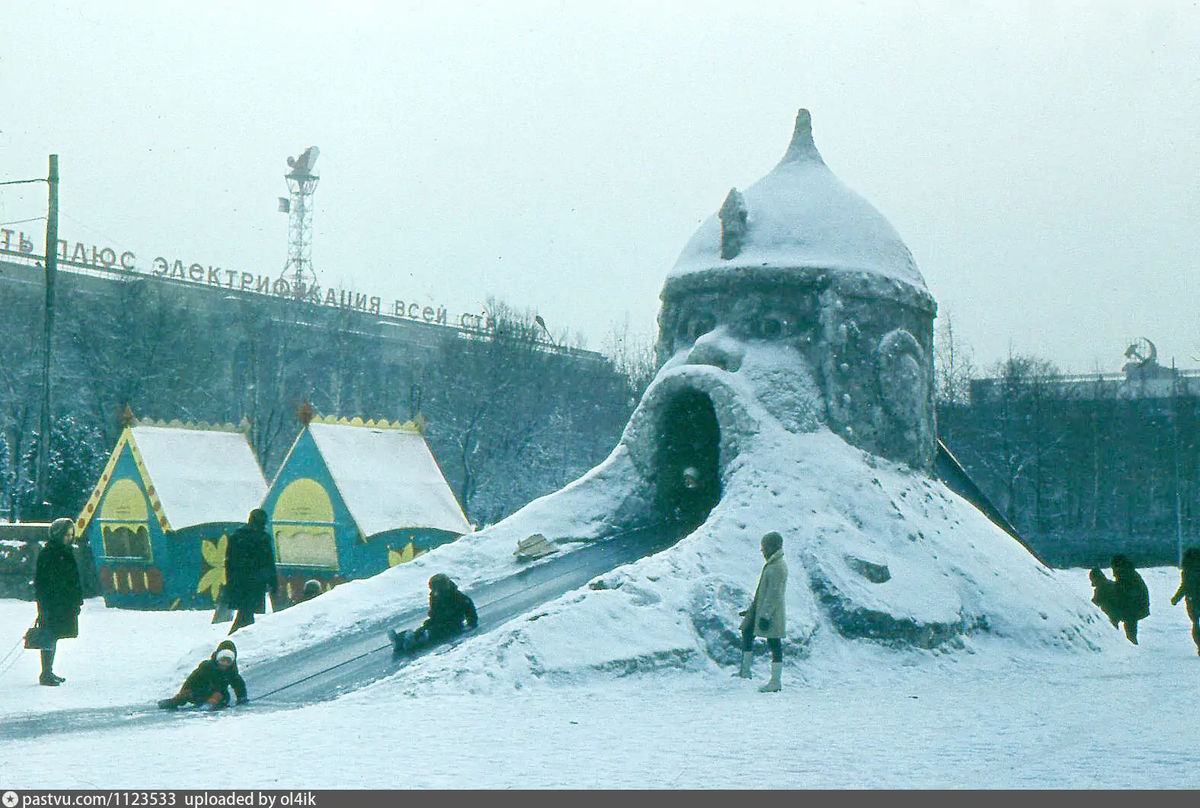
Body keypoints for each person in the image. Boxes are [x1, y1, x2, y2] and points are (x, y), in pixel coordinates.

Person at [34, 518, 84, 686]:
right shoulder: (49, 553)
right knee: (49, 634)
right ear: (57, 534)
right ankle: (45, 673)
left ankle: (48, 671)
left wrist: (76, 601)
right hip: (53, 602)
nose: (70, 538)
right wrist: (44, 604)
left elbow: (73, 579)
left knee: (53, 635)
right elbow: (42, 581)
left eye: (71, 534)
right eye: (66, 534)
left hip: (63, 602)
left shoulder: (65, 552)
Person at [738, 531, 788, 692]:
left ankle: (775, 681)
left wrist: (765, 615)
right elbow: (763, 593)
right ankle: (745, 672)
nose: (762, 551)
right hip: (761, 611)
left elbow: (774, 595)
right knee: (747, 631)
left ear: (773, 547)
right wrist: (751, 611)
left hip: (771, 613)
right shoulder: (773, 565)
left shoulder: (778, 567)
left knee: (774, 642)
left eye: (764, 547)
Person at [388, 573, 478, 657]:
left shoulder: (460, 598)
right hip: (437, 622)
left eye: (436, 589)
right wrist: (432, 617)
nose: (434, 592)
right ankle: (400, 640)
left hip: (452, 626)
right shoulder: (435, 596)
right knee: (422, 630)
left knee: (431, 636)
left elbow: (471, 614)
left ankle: (412, 643)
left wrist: (470, 626)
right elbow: (434, 612)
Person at [224, 509, 278, 634]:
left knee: (245, 612)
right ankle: (235, 638)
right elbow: (268, 562)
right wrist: (272, 583)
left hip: (238, 582)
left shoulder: (236, 536)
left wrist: (230, 581)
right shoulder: (263, 538)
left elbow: (229, 562)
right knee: (246, 613)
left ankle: (241, 636)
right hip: (256, 583)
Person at [158, 640, 248, 710]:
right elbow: (191, 680)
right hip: (200, 691)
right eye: (222, 660)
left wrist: (241, 698)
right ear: (217, 659)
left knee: (218, 696)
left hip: (218, 694)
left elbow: (239, 685)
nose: (224, 664)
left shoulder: (231, 672)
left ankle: (209, 705)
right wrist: (184, 692)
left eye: (228, 662)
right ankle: (172, 702)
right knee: (186, 694)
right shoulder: (207, 667)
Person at [1111, 554, 1150, 645]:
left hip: (1132, 607)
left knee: (1129, 628)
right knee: (1129, 627)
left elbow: (1128, 593)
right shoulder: (1128, 573)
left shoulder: (1126, 576)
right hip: (1133, 606)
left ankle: (1130, 646)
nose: (1113, 571)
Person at [1170, 547, 1200, 656]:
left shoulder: (1187, 572)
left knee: (1196, 624)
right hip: (1194, 599)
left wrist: (1176, 598)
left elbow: (1185, 586)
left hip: (1193, 601)